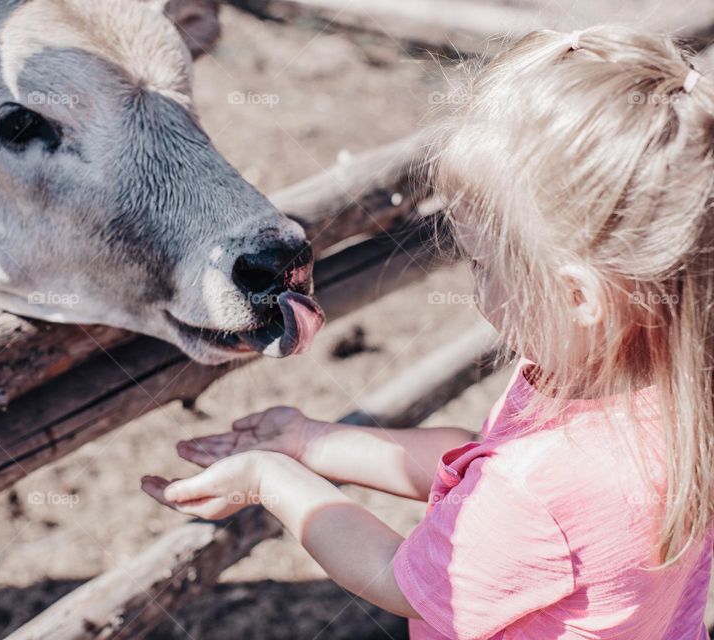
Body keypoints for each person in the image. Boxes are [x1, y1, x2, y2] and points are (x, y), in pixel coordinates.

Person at [143, 26, 714, 638]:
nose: (477, 287)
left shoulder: (542, 485)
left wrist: (271, 479)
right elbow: (478, 459)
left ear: (578, 297)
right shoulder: (657, 392)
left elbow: (397, 579)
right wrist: (312, 442)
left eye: (482, 264)